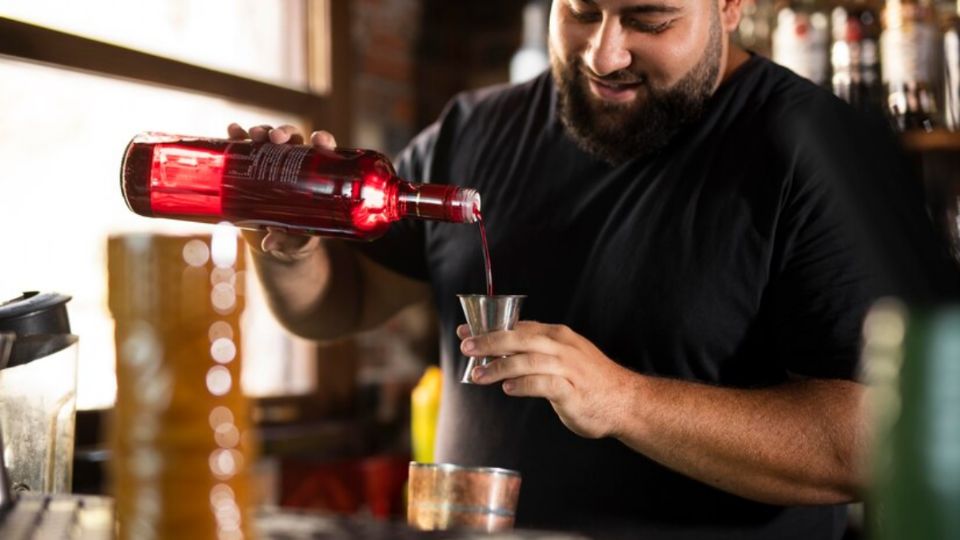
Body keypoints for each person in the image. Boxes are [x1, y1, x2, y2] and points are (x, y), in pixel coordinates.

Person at [232, 0, 960, 538]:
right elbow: (334, 308)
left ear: (733, 8)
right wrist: (292, 250)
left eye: (648, 20)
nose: (604, 53)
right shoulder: (473, 131)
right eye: (581, 12)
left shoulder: (814, 149)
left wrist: (621, 400)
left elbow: (879, 441)